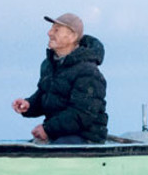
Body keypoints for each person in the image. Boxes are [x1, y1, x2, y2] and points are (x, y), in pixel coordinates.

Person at [12, 13, 108, 144]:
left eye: (56, 30)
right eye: (51, 28)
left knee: (49, 154)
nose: (49, 33)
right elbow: (45, 95)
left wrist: (47, 129)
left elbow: (82, 114)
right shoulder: (49, 65)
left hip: (86, 138)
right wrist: (28, 105)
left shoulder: (88, 72)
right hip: (57, 134)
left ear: (72, 36)